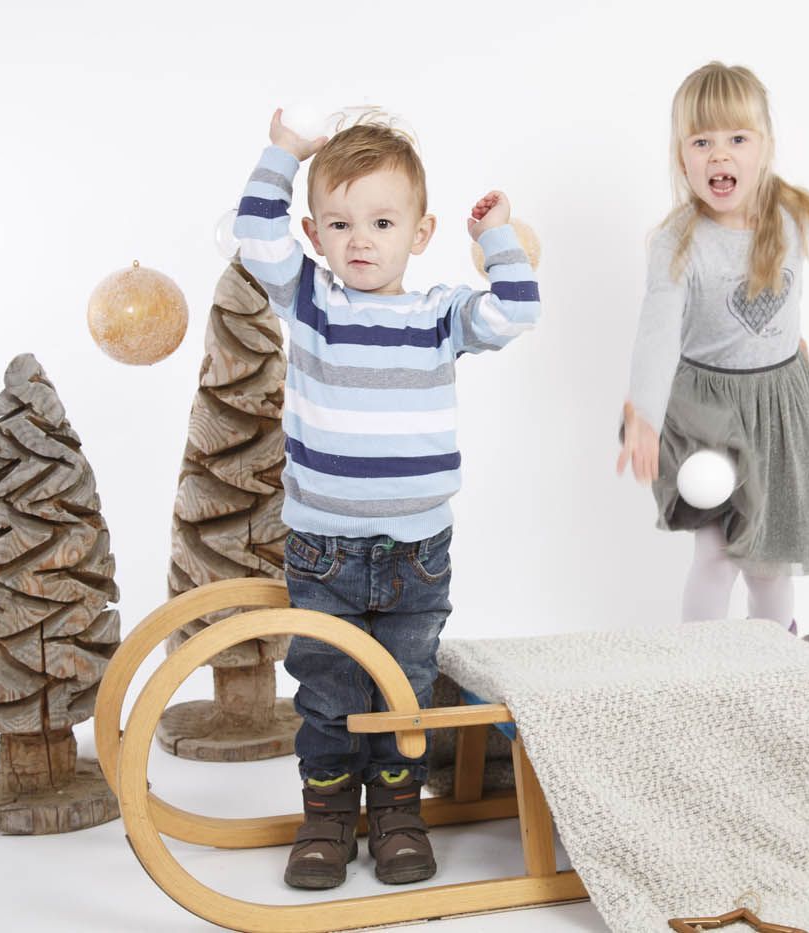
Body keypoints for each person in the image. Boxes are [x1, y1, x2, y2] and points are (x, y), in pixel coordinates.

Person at [234, 108, 540, 889]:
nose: (360, 240)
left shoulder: (437, 314)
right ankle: (329, 818)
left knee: (404, 694)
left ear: (421, 230)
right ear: (314, 230)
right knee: (330, 696)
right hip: (322, 549)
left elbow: (516, 312)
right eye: (339, 223)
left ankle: (399, 812)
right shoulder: (311, 303)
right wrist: (282, 153)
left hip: (417, 553)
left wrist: (499, 234)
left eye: (380, 221)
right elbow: (256, 237)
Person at [618, 62, 809, 628]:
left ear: (765, 147)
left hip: (779, 405)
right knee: (716, 555)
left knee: (770, 562)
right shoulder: (677, 244)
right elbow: (658, 333)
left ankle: (778, 662)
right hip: (708, 413)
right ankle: (701, 667)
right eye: (702, 141)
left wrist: (792, 345)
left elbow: (787, 296)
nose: (720, 155)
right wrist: (644, 414)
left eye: (737, 139)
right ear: (680, 155)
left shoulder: (789, 217)